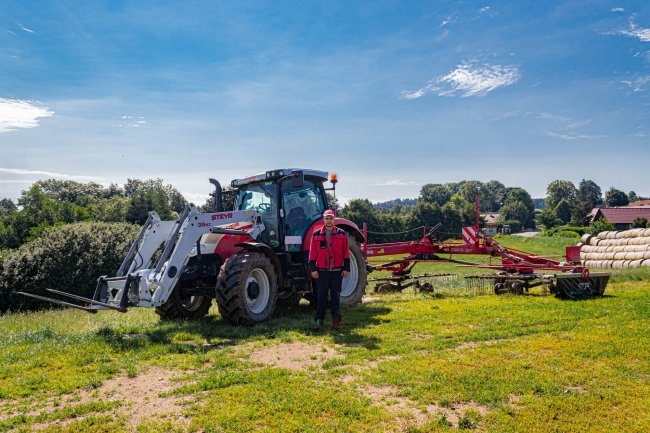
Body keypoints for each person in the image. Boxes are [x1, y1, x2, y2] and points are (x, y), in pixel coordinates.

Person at [309, 209, 350, 331]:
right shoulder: (316, 234)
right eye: (326, 218)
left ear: (334, 219)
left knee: (335, 298)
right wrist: (313, 269)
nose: (329, 221)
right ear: (323, 219)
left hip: (337, 272)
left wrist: (346, 268)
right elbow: (312, 254)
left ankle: (336, 321)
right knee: (321, 297)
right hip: (322, 272)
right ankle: (319, 321)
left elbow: (345, 252)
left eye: (331, 218)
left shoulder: (341, 233)